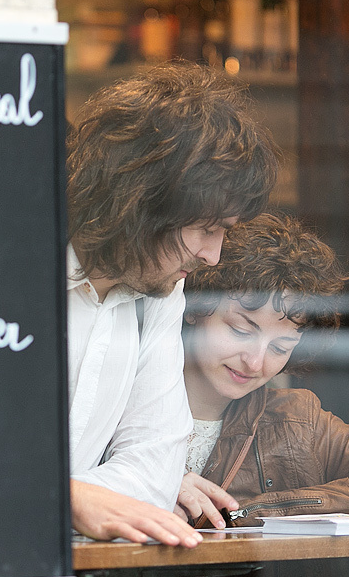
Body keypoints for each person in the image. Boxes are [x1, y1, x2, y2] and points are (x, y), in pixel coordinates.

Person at [136, 211, 349, 577]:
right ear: (195, 309)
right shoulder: (125, 405)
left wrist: (267, 511)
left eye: (281, 347)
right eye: (241, 330)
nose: (256, 362)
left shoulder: (298, 420)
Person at [66, 60, 277, 547]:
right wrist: (66, 500)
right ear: (139, 202)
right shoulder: (7, 274)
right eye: (206, 228)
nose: (213, 255)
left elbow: (156, 469)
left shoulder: (161, 292)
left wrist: (62, 497)